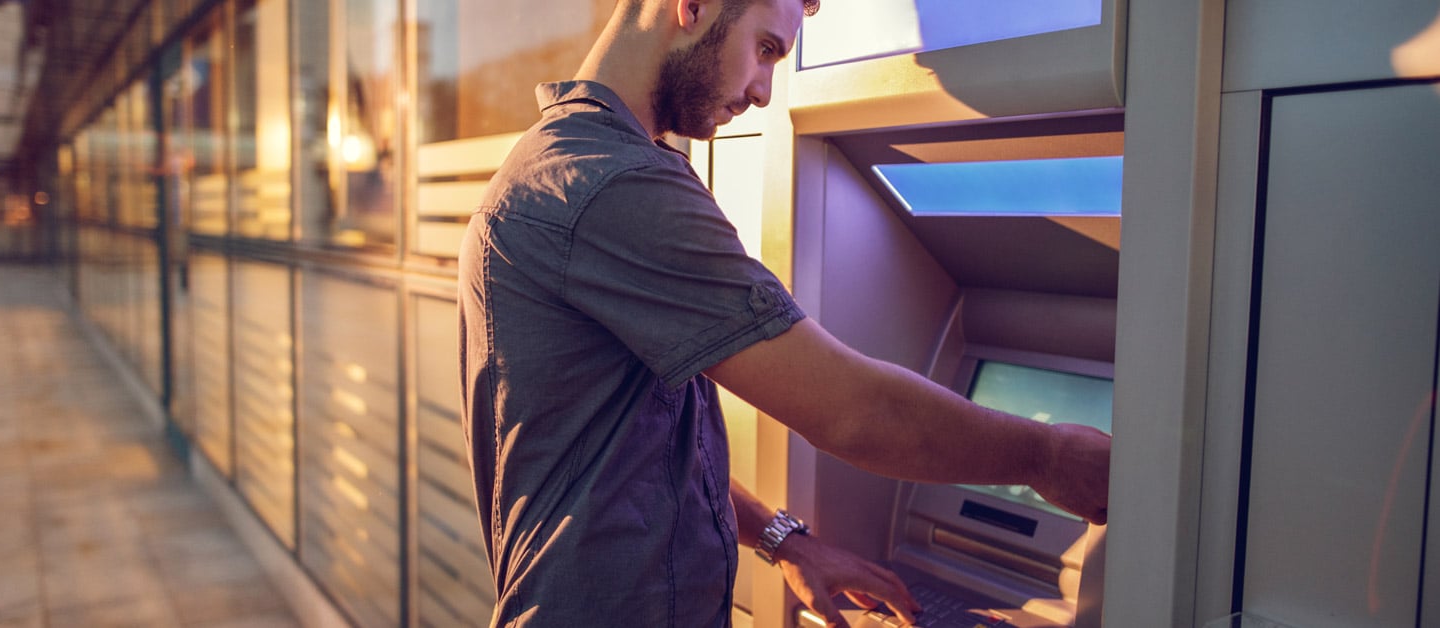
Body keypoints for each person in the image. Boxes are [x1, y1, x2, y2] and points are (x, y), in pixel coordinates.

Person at [457, 0, 1112, 626]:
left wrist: (784, 540)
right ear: (693, 6)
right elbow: (854, 411)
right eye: (766, 48)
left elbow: (631, 457)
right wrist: (1047, 458)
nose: (765, 91)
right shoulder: (612, 185)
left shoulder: (557, 164)